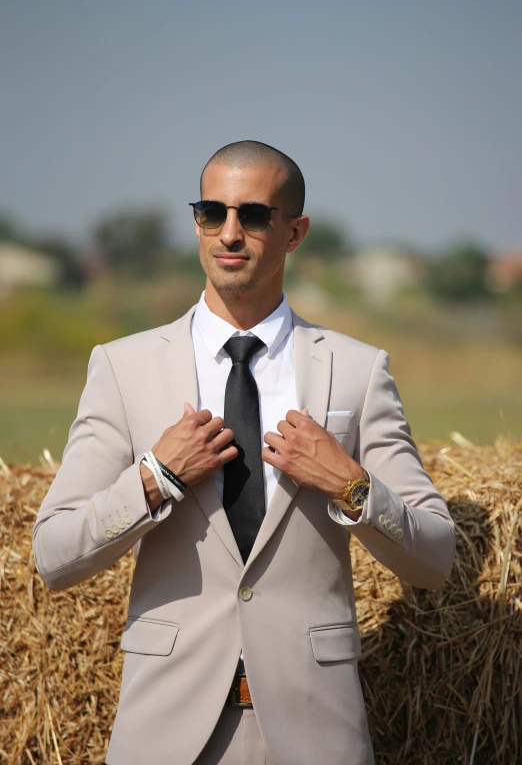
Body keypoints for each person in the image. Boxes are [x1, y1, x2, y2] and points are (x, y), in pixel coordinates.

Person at [33, 140, 456, 765]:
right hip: (166, 732)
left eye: (253, 215)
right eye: (212, 213)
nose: (229, 233)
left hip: (315, 729)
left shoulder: (358, 371)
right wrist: (154, 478)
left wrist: (350, 485)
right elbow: (54, 554)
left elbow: (435, 557)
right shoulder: (121, 367)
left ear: (295, 231)